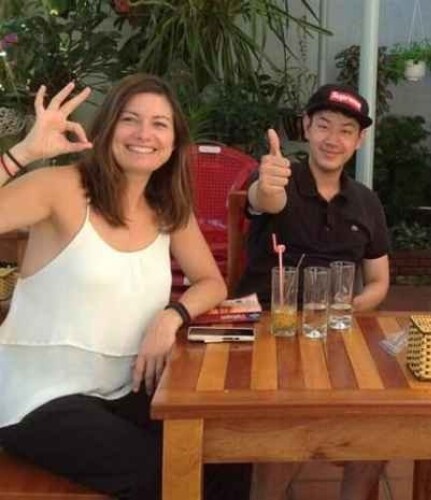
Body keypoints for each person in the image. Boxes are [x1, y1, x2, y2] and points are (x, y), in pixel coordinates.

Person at [0, 75, 250, 499]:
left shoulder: (166, 207)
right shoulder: (60, 188)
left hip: (122, 387)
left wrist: (171, 317)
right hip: (38, 397)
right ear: (107, 127)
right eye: (130, 119)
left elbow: (211, 283)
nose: (144, 134)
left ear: (174, 141)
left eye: (159, 124)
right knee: (160, 471)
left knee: (226, 448)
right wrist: (23, 153)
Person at [237, 84, 390, 499]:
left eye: (346, 130)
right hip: (269, 329)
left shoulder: (366, 203)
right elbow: (263, 199)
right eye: (323, 125)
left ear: (359, 140)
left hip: (333, 333)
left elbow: (379, 281)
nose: (332, 139)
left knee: (378, 434)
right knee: (289, 430)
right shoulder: (279, 177)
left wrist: (350, 307)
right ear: (306, 127)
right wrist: (268, 185)